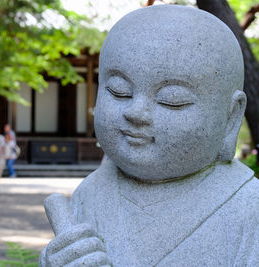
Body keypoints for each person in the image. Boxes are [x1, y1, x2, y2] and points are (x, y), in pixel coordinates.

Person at [40, 5, 259, 266]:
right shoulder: (92, 192)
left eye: (172, 100)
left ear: (231, 116)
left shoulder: (248, 207)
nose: (136, 112)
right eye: (119, 92)